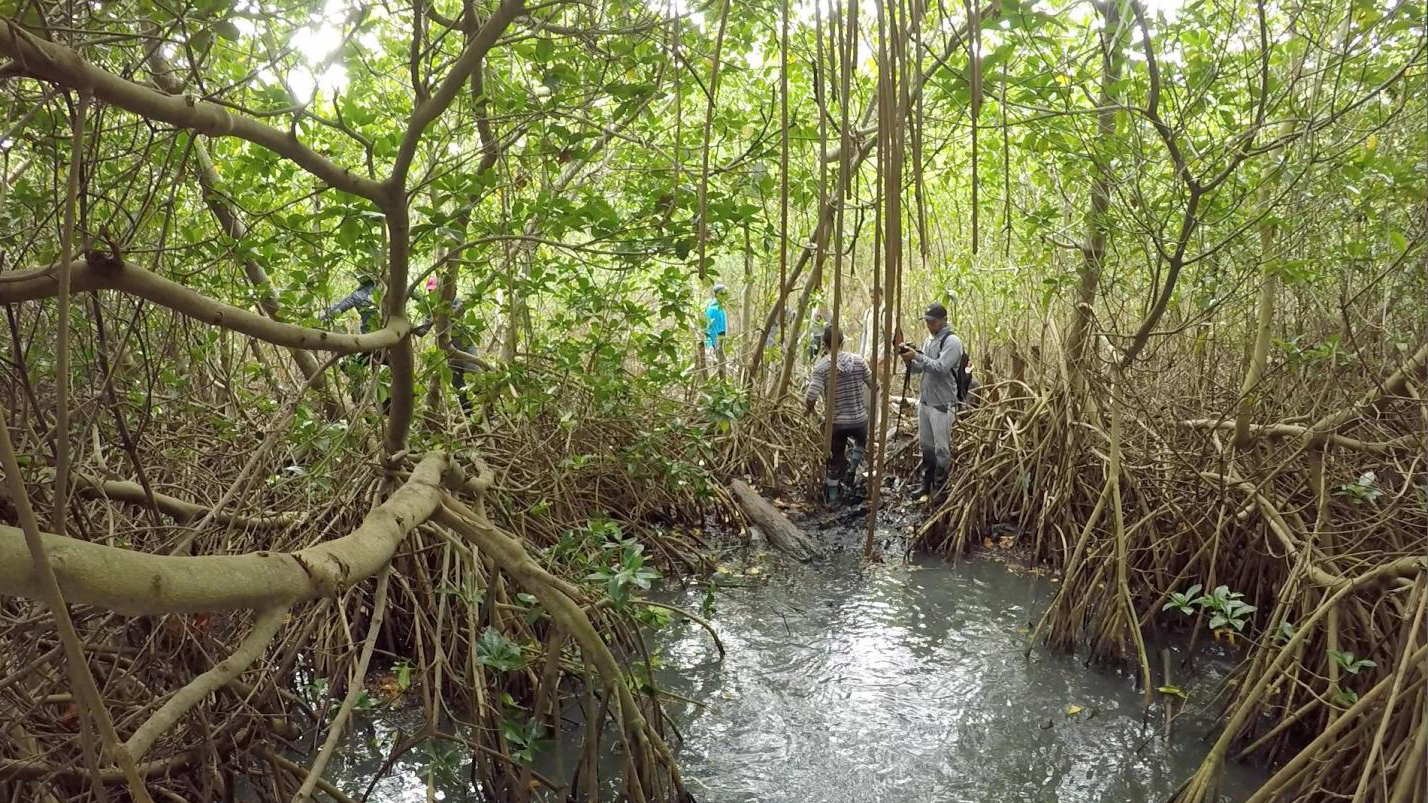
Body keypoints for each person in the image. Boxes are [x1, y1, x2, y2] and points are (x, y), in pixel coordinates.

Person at [897, 302, 964, 503]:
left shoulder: (952, 342)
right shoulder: (929, 340)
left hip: (942, 403)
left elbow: (941, 368)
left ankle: (941, 489)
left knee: (941, 448)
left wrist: (917, 356)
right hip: (925, 401)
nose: (929, 325)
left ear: (943, 320)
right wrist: (909, 359)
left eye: (932, 322)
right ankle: (926, 485)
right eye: (927, 321)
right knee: (926, 445)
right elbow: (921, 369)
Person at [805, 324, 875, 505]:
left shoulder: (822, 366)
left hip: (837, 423)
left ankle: (833, 498)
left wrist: (810, 408)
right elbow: (874, 384)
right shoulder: (858, 361)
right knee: (860, 441)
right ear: (843, 341)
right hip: (859, 420)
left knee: (834, 459)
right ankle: (852, 468)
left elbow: (811, 395)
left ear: (824, 343)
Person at [704, 284, 729, 373]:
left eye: (726, 293)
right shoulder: (712, 309)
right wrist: (711, 345)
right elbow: (709, 329)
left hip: (722, 342)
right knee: (715, 368)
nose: (724, 296)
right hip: (715, 344)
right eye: (722, 294)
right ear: (717, 295)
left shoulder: (721, 307)